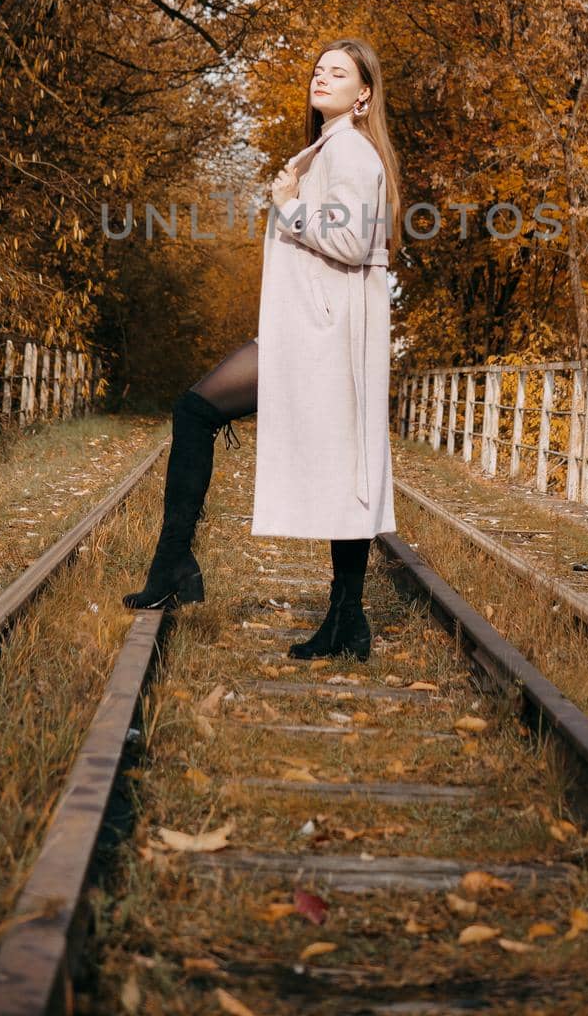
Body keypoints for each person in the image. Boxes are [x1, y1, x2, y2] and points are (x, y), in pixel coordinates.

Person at [122, 38, 400, 663]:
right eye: (318, 68)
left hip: (321, 336)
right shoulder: (329, 147)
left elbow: (354, 242)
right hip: (309, 331)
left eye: (339, 72)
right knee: (339, 471)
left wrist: (289, 206)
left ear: (364, 95)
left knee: (196, 410)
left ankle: (175, 568)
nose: (321, 77)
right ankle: (344, 620)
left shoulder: (351, 151)